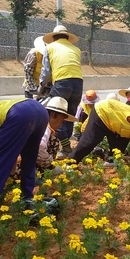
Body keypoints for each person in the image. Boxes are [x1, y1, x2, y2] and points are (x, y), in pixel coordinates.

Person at [39, 25, 83, 159]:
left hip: (62, 81)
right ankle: (66, 146)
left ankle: (63, 147)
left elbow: (47, 71)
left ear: (53, 37)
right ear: (67, 37)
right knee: (69, 114)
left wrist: (41, 87)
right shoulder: (76, 49)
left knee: (56, 113)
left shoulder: (50, 47)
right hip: (78, 82)